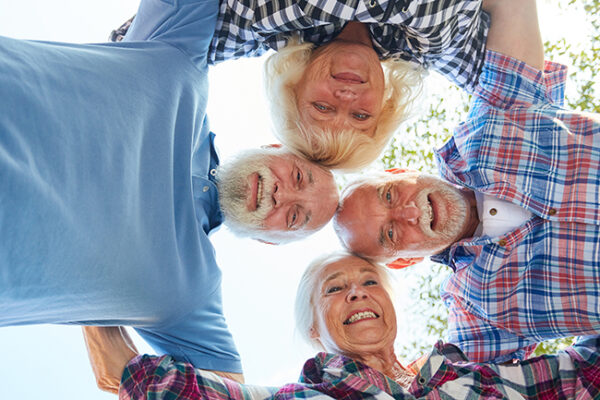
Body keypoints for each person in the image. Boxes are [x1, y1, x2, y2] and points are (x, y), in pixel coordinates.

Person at [0, 0, 338, 380]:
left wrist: (106, 332)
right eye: (297, 177)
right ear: (275, 148)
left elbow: (229, 390)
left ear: (269, 240)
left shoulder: (191, 298)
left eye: (294, 216)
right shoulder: (181, 60)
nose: (281, 194)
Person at [333, 0, 600, 363]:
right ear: (402, 262)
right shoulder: (477, 311)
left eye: (390, 195)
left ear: (399, 173)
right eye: (391, 234)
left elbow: (513, 6)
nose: (409, 212)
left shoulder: (491, 122)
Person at [83, 253, 600, 398]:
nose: (356, 292)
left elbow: (585, 371)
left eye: (368, 282)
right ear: (315, 330)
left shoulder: (476, 378)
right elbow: (157, 385)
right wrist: (88, 282)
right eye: (334, 290)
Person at [113, 0, 490, 170]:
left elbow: (135, 57)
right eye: (360, 115)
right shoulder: (435, 46)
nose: (345, 97)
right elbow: (523, 95)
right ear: (385, 104)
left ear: (293, 91)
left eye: (322, 108)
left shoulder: (259, 23)